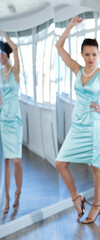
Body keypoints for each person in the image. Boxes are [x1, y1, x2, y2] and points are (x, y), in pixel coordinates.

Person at [55, 16, 100, 224]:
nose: (90, 58)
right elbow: (59, 47)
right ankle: (77, 198)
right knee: (60, 163)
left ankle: (96, 206)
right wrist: (69, 26)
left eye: (94, 54)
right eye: (87, 54)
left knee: (96, 166)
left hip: (95, 125)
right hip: (78, 124)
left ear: (98, 55)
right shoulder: (77, 69)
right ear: (82, 54)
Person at [0, 29, 23, 214]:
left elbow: (16, 49)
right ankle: (6, 197)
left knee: (17, 161)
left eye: (0, 54)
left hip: (15, 121)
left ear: (5, 54)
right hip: (3, 120)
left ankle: (17, 193)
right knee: (6, 160)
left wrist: (3, 34)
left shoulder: (15, 71)